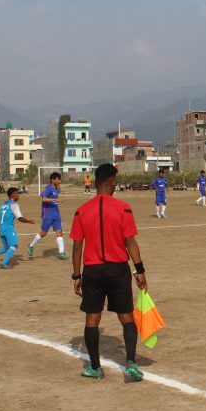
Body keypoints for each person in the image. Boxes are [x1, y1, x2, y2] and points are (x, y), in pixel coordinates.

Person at [70, 163, 148, 382]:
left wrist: (77, 276)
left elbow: (77, 247)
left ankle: (95, 368)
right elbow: (130, 241)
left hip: (93, 272)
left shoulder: (82, 211)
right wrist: (139, 270)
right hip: (118, 270)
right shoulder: (123, 208)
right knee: (126, 317)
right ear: (112, 182)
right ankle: (131, 364)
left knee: (92, 319)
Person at [0, 188, 35, 269]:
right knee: (14, 245)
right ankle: (4, 264)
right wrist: (29, 221)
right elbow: (20, 218)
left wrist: (0, 228)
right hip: (9, 228)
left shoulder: (3, 205)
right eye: (17, 194)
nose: (18, 195)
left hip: (2, 228)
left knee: (6, 248)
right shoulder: (14, 205)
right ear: (13, 195)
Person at [28, 172, 66, 260]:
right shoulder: (48, 188)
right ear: (53, 180)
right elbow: (44, 198)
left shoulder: (55, 188)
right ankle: (31, 246)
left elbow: (55, 194)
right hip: (48, 214)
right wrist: (56, 199)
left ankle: (61, 253)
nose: (59, 181)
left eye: (60, 179)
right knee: (43, 233)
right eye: (58, 179)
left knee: (59, 232)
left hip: (56, 214)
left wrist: (58, 193)